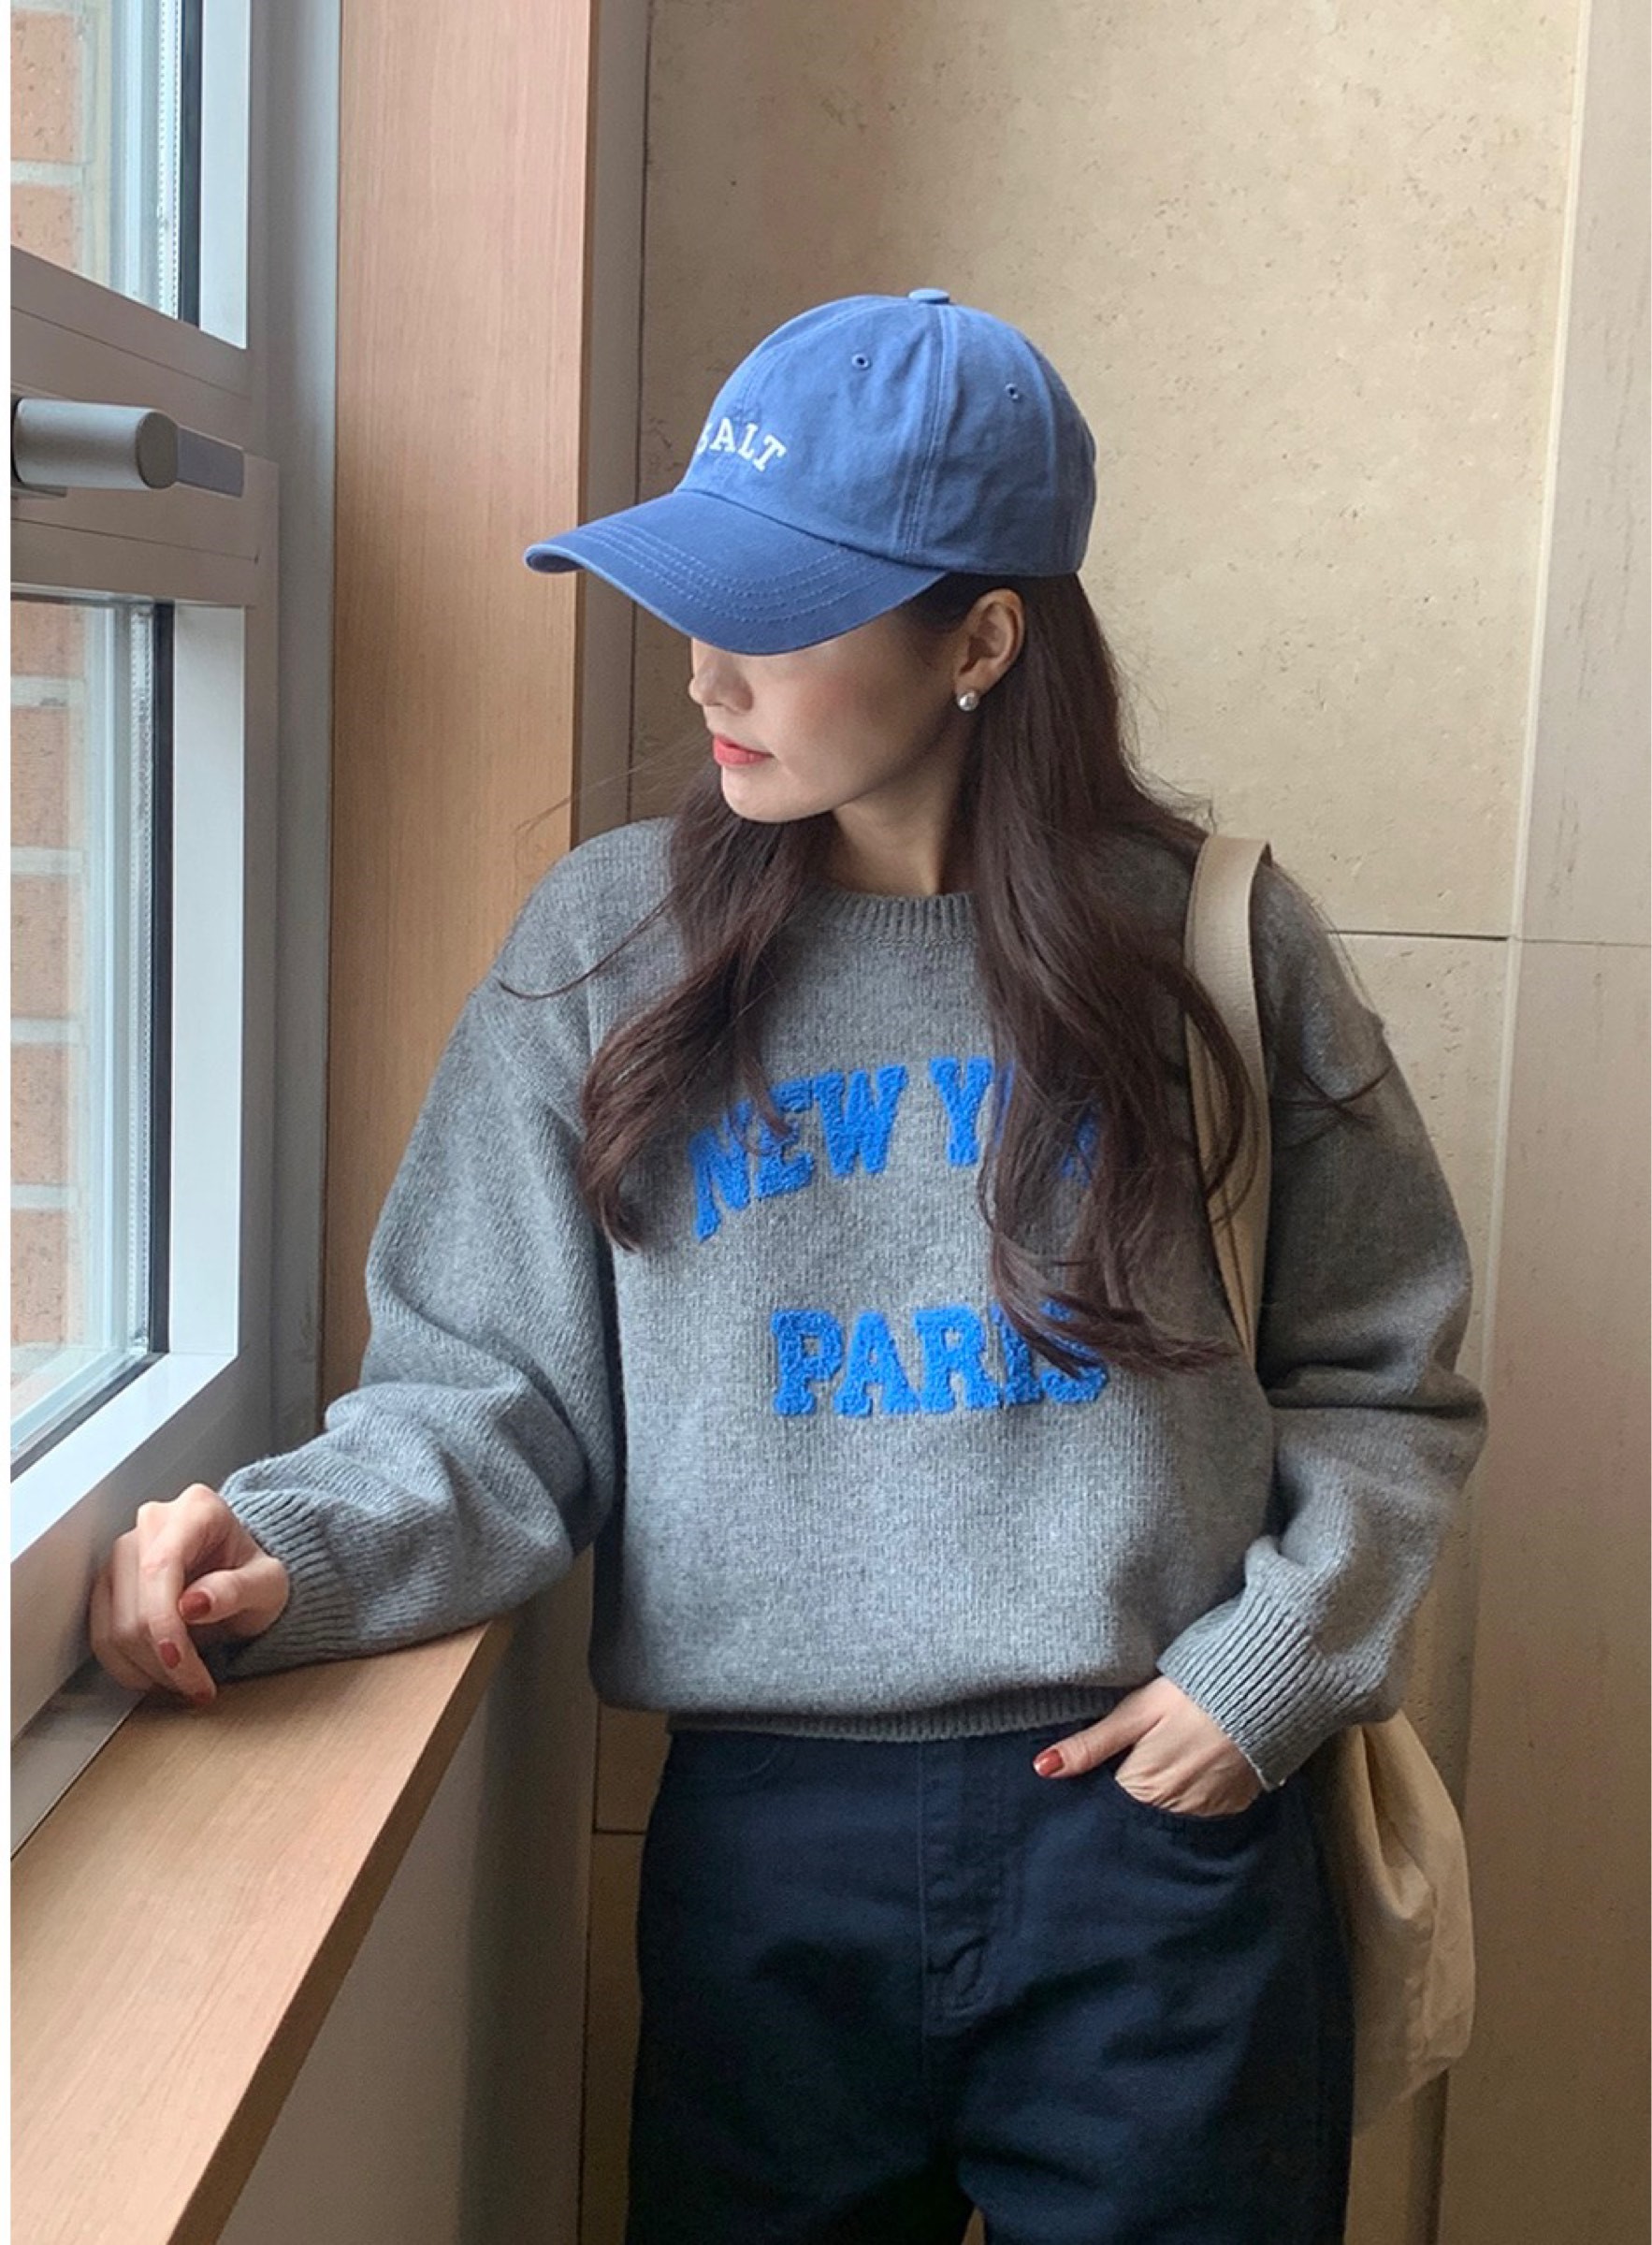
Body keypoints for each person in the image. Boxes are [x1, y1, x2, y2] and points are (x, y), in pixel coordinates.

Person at [89, 288, 1489, 2242]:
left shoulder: (1213, 947)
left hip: (1160, 1841)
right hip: (767, 1854)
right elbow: (491, 1403)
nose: (704, 673)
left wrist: (1263, 1679)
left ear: (981, 642)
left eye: (779, 617)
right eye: (696, 602)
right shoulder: (606, 950)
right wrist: (283, 1547)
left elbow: (1380, 1373)